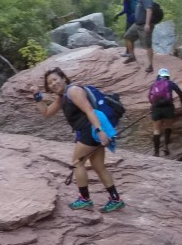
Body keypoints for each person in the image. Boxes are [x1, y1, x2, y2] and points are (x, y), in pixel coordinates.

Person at [34, 67, 125, 212]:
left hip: (90, 130)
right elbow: (46, 112)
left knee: (77, 163)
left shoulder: (73, 91)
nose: (53, 84)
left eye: (55, 79)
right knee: (98, 166)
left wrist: (99, 131)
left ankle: (85, 199)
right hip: (90, 131)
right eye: (49, 83)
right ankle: (115, 199)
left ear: (63, 78)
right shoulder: (62, 97)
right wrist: (37, 98)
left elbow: (89, 110)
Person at [148, 68, 182, 156]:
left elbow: (149, 96)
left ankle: (156, 152)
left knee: (156, 130)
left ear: (158, 75)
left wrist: (153, 105)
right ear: (168, 76)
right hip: (168, 108)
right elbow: (180, 92)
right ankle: (166, 147)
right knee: (168, 126)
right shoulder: (170, 83)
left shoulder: (154, 84)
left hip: (156, 109)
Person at [121, 0, 156, 72]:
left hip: (144, 24)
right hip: (137, 24)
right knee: (127, 36)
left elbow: (149, 10)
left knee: (148, 45)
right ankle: (132, 56)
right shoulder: (139, 0)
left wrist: (147, 24)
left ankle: (150, 65)